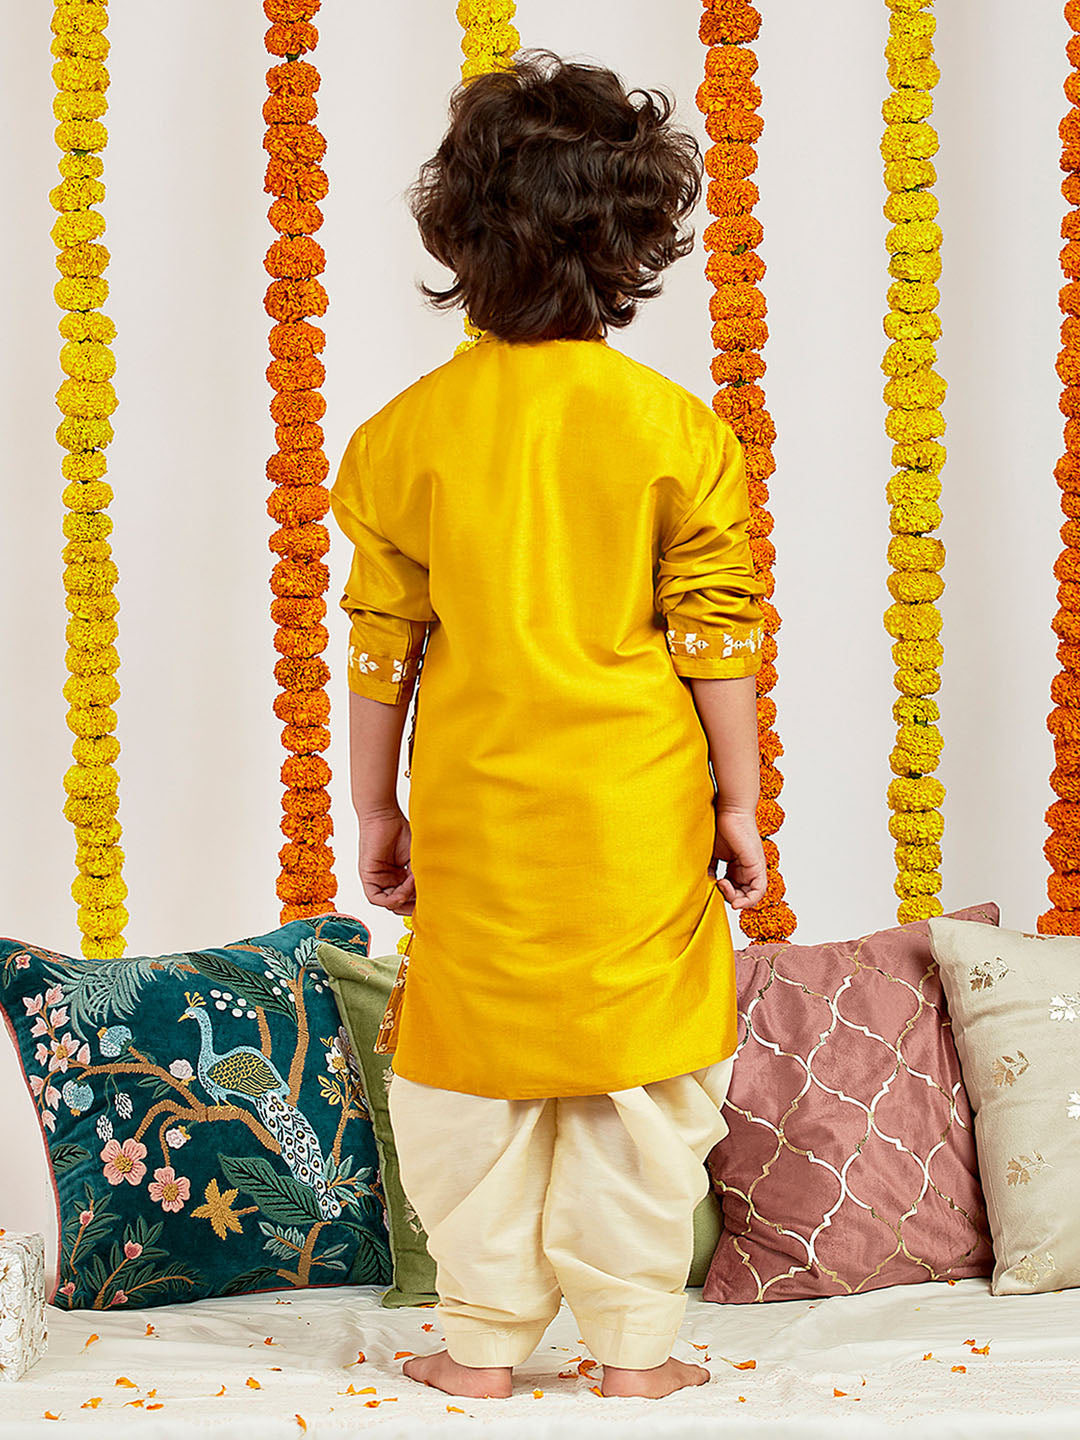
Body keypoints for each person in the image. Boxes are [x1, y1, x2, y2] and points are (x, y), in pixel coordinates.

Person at [328, 48, 769, 1402]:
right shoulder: (677, 433)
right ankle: (636, 1353)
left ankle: (477, 1347)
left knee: (478, 1075)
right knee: (641, 1080)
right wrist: (740, 806)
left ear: (458, 235)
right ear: (635, 244)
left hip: (479, 811)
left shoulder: (401, 438)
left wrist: (377, 811)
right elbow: (717, 638)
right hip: (639, 809)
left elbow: (382, 652)